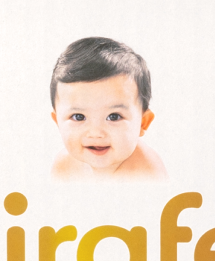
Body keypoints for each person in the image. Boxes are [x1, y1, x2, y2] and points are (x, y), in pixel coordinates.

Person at [49, 35, 166, 179]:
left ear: (143, 122)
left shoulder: (147, 171)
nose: (96, 133)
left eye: (114, 116)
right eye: (78, 117)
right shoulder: (63, 167)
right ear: (58, 122)